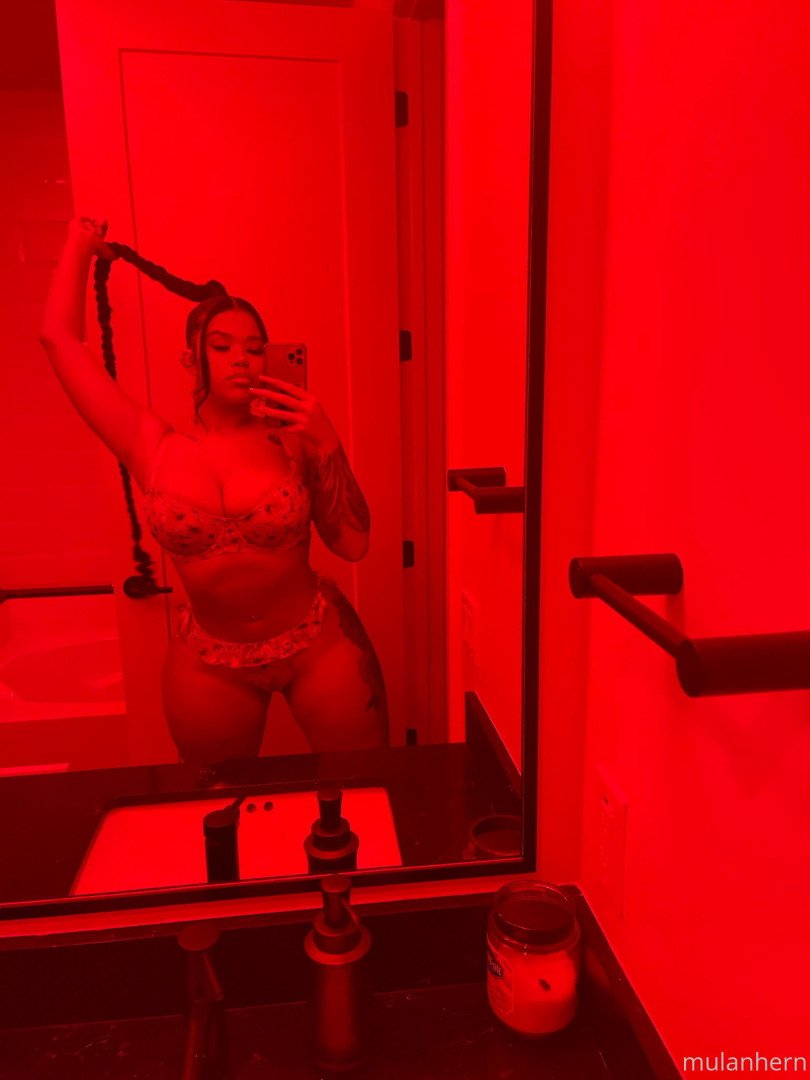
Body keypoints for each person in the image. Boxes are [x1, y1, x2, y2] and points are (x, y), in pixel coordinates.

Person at [39, 216, 389, 765]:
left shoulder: (293, 439)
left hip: (319, 644)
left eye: (255, 348)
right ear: (190, 358)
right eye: (222, 346)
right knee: (218, 799)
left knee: (361, 784)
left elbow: (353, 544)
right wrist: (80, 243)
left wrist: (327, 441)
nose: (241, 358)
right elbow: (58, 340)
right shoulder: (150, 444)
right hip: (209, 660)